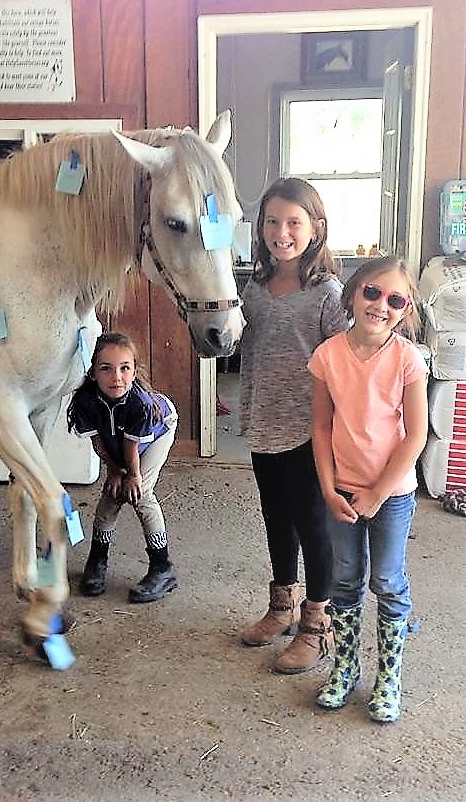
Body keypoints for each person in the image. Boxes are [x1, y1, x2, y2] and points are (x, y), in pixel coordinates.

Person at [238, 178, 350, 674]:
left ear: (315, 229)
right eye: (271, 222)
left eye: (293, 223)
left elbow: (347, 362)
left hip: (310, 432)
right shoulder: (255, 289)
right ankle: (281, 605)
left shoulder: (327, 294)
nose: (280, 232)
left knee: (312, 526)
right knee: (274, 519)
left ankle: (316, 623)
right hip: (264, 423)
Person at [310, 256, 427, 723]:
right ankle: (345, 666)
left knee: (386, 580)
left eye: (395, 299)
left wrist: (377, 494)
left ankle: (389, 675)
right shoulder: (327, 356)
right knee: (344, 579)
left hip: (391, 494)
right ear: (353, 292)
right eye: (373, 293)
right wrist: (326, 488)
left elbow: (415, 435)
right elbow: (320, 428)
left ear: (406, 309)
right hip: (340, 487)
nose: (381, 305)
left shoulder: (407, 359)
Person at [68, 332, 179, 603]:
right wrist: (114, 472)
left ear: (134, 370)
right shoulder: (85, 400)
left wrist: (132, 475)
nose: (116, 377)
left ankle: (162, 566)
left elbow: (131, 447)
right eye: (105, 368)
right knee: (111, 495)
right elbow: (99, 443)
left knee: (140, 495)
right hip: (119, 439)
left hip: (158, 430)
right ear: (93, 372)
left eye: (124, 368)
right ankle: (97, 560)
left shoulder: (140, 403)